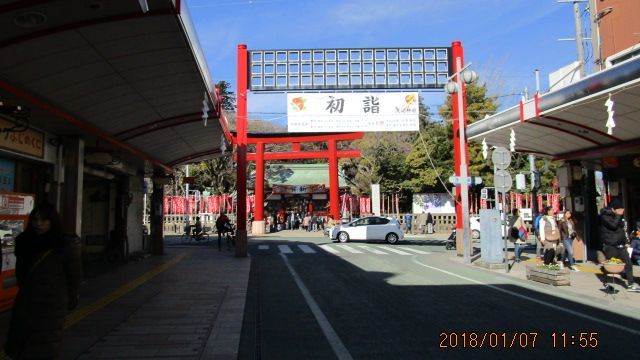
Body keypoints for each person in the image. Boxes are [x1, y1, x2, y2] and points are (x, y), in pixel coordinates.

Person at [5, 204, 82, 359]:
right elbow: (21, 273)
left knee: (44, 346)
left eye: (44, 220)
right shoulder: (24, 242)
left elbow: (74, 276)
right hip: (26, 302)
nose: (38, 224)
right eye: (35, 219)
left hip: (51, 304)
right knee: (21, 343)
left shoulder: (64, 245)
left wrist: (71, 299)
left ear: (53, 221)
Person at [599, 198, 640, 291]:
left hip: (621, 245)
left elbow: (621, 231)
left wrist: (626, 242)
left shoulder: (618, 216)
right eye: (619, 209)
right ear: (613, 209)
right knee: (611, 266)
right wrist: (618, 215)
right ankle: (607, 283)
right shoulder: (605, 216)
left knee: (628, 263)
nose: (622, 211)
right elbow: (613, 226)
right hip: (611, 245)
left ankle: (630, 284)